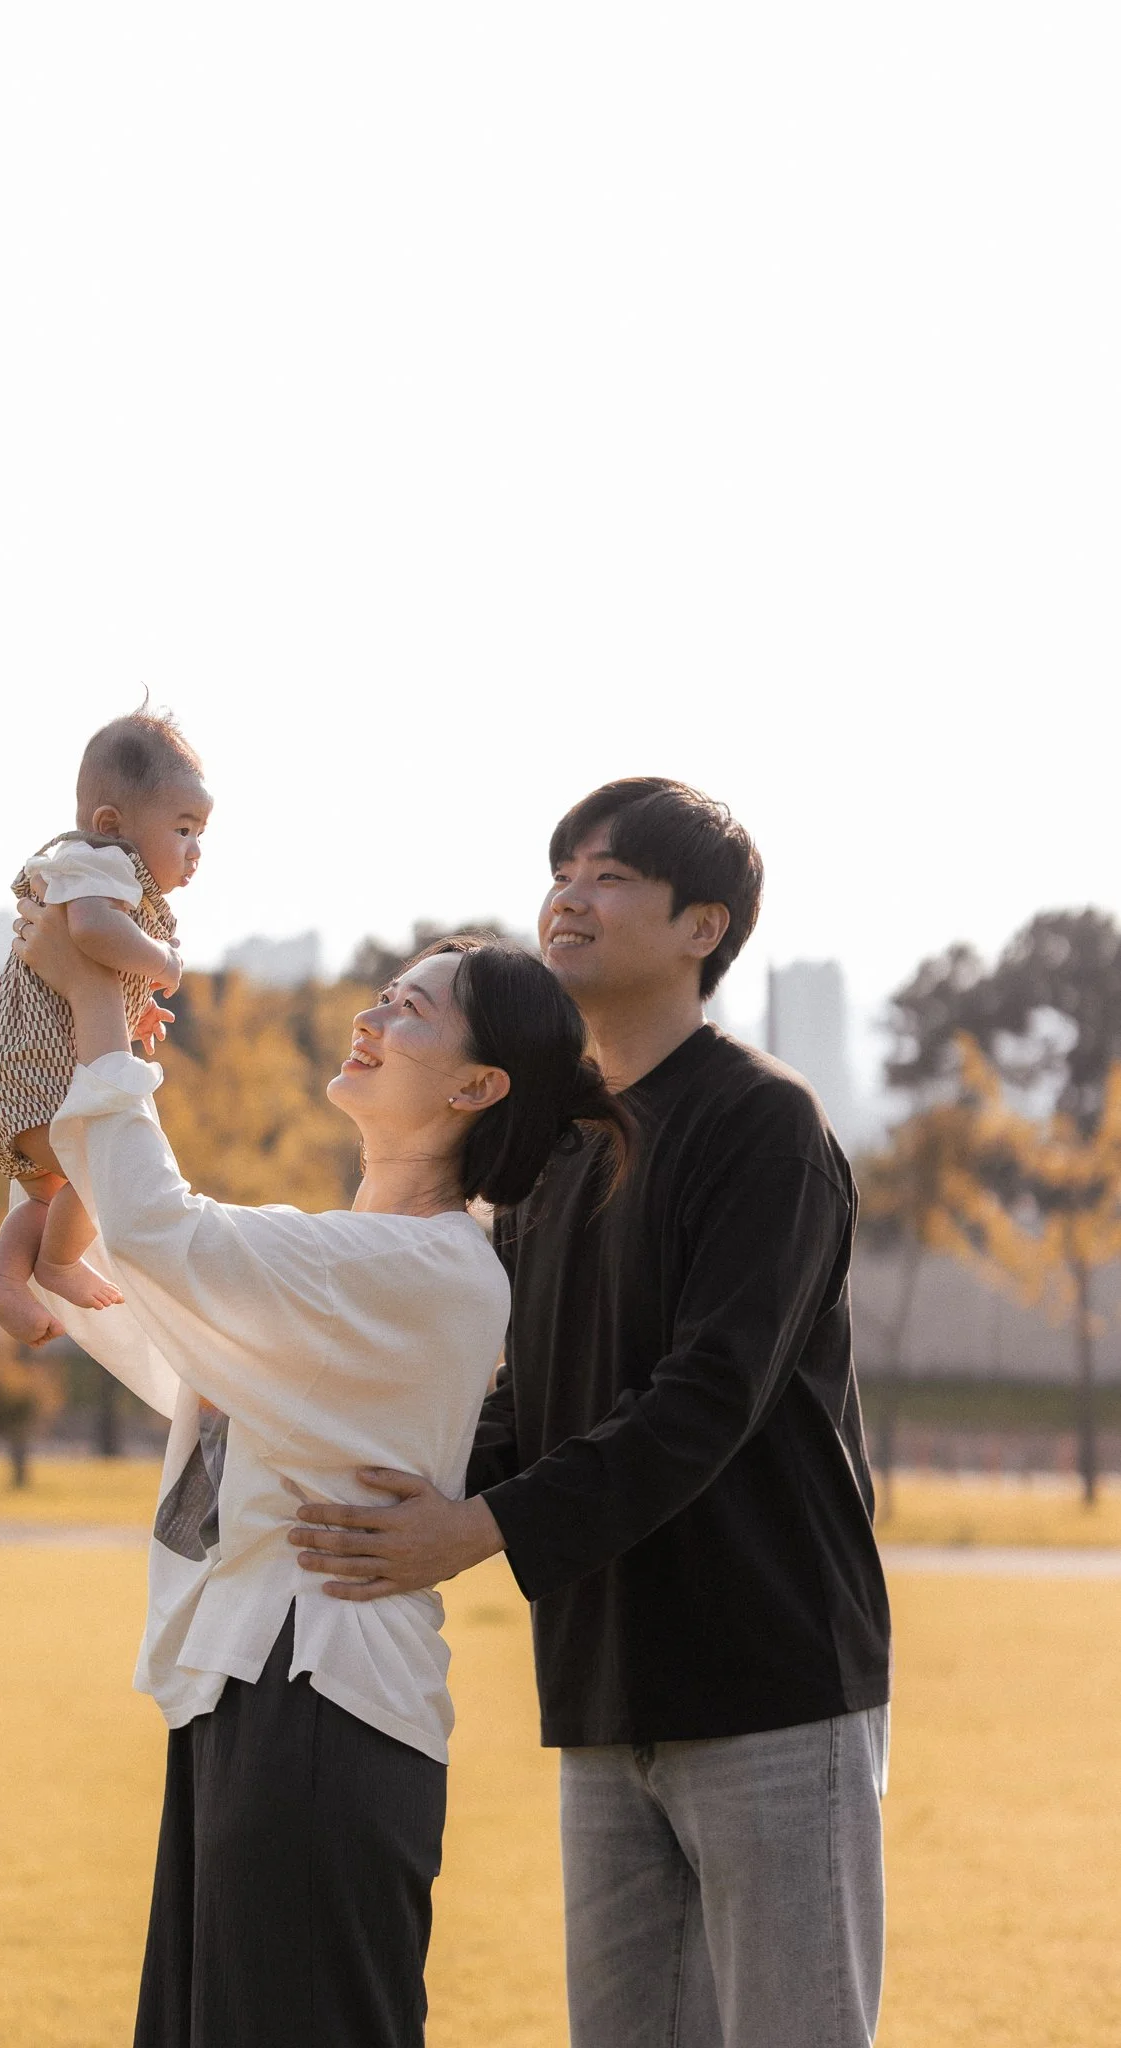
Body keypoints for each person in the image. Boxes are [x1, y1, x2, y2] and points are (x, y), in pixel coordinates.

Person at [291, 777, 893, 2048]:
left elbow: (706, 1396)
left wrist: (482, 1525)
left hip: (773, 1681)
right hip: (605, 1687)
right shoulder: (556, 1151)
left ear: (703, 927)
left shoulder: (764, 1123)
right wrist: (395, 1470)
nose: (571, 891)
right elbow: (527, 1388)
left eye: (613, 873)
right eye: (564, 866)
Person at [10, 897, 632, 2048]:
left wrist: (100, 1004)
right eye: (384, 992)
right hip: (246, 1692)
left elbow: (164, 1236)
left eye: (414, 1007)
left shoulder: (428, 1267)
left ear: (476, 1086)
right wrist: (56, 1177)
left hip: (318, 1706)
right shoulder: (359, 1258)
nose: (372, 1014)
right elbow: (163, 1320)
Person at [0, 706, 208, 1346]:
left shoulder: (113, 882)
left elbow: (89, 968)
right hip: (32, 1076)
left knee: (52, 1194)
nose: (195, 850)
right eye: (182, 828)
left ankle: (4, 1278)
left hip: (7, 1081)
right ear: (111, 823)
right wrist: (162, 963)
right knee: (99, 1171)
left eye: (201, 831)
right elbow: (94, 933)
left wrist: (135, 1006)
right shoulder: (100, 861)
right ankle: (58, 1262)